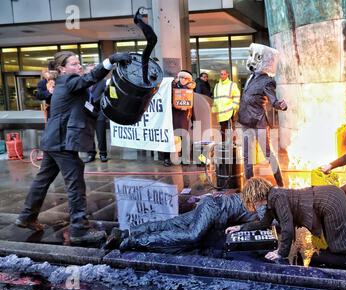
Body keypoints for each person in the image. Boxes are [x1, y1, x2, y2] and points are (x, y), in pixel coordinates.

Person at [14, 50, 132, 245]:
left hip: (53, 141)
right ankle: (79, 230)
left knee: (42, 180)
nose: (79, 66)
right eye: (74, 64)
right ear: (62, 68)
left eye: (79, 63)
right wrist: (111, 61)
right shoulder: (69, 81)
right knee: (75, 184)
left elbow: (84, 106)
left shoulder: (66, 84)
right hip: (61, 142)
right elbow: (92, 76)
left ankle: (26, 217)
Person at [226, 177, 346, 262]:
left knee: (339, 246)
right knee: (345, 235)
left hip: (328, 203)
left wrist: (281, 253)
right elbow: (264, 223)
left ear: (257, 195)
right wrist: (240, 228)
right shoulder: (271, 200)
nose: (253, 204)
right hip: (330, 196)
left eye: (252, 200)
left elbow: (288, 229)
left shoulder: (276, 198)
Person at [104, 193, 265, 253]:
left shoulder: (261, 195)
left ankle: (126, 232)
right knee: (192, 236)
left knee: (171, 224)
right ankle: (132, 241)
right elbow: (267, 222)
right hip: (213, 210)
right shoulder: (268, 203)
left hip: (210, 205)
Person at [237, 43, 287, 187]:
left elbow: (274, 101)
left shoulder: (267, 81)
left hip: (258, 123)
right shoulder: (251, 77)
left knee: (267, 154)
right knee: (247, 156)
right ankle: (249, 186)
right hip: (246, 122)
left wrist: (281, 105)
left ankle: (280, 184)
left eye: (258, 57)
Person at [163, 70, 196, 167]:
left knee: (183, 138)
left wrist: (194, 120)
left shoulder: (190, 90)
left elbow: (191, 106)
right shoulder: (172, 87)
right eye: (181, 77)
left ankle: (184, 159)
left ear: (188, 80)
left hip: (184, 117)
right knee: (170, 137)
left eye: (186, 78)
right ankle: (166, 158)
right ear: (179, 78)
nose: (183, 80)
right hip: (172, 116)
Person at [83, 64, 108, 163]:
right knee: (88, 134)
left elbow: (106, 94)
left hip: (99, 111)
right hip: (87, 111)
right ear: (86, 72)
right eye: (90, 71)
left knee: (101, 133)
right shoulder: (83, 82)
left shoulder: (103, 82)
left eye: (94, 70)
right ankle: (91, 154)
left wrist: (97, 100)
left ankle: (103, 154)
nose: (92, 72)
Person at [212, 70, 240, 142]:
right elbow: (216, 98)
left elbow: (236, 96)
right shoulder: (217, 85)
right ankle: (224, 144)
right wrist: (214, 109)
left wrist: (234, 106)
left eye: (224, 74)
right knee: (222, 129)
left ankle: (231, 144)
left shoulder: (232, 84)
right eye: (221, 74)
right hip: (220, 112)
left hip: (229, 111)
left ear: (227, 75)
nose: (223, 75)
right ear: (220, 75)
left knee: (229, 129)